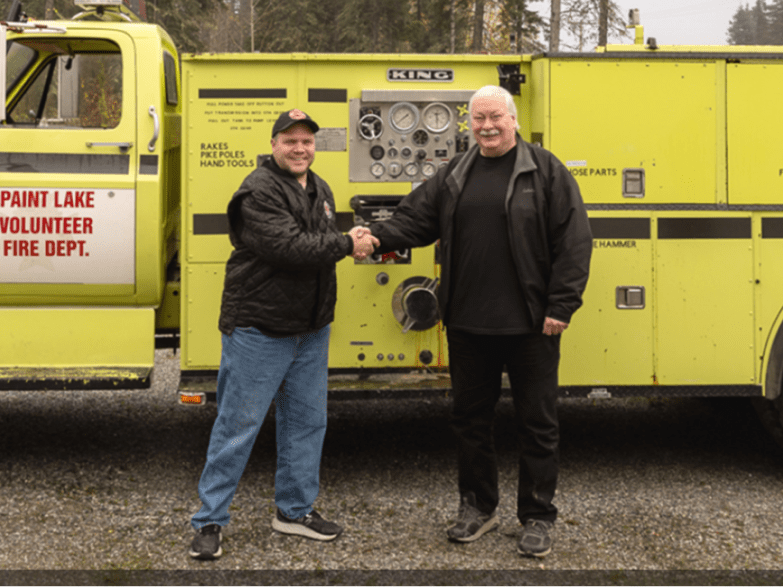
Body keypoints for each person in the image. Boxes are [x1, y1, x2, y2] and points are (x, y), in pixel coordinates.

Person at [362, 85, 592, 558]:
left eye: (495, 117)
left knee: (538, 424)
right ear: (469, 125)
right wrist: (371, 238)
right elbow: (414, 221)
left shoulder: (546, 171)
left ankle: (537, 517)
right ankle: (478, 508)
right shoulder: (454, 173)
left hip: (531, 325)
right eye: (478, 119)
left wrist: (560, 306)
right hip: (468, 324)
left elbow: (574, 242)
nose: (487, 126)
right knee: (470, 422)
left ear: (513, 119)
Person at [189, 108, 378, 560]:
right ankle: (209, 521)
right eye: (290, 140)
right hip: (260, 326)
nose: (299, 149)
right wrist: (348, 243)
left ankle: (294, 512)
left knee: (307, 423)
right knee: (238, 426)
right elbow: (288, 248)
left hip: (310, 328)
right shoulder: (257, 192)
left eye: (307, 141)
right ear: (273, 144)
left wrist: (355, 244)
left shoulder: (320, 188)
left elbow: (321, 247)